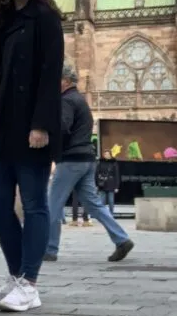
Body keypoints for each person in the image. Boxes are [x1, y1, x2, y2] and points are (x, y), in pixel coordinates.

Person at [0, 0, 64, 312]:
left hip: (30, 126)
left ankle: (30, 282)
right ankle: (16, 276)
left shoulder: (45, 17)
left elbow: (50, 72)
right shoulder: (0, 20)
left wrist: (41, 125)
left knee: (34, 205)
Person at [44, 64, 134, 264]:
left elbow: (62, 127)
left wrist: (47, 137)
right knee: (94, 204)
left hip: (71, 160)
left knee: (53, 205)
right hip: (86, 159)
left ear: (66, 81)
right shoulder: (80, 100)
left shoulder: (66, 101)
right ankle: (122, 239)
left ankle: (49, 249)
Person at [96, 148, 120, 213]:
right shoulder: (100, 162)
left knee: (111, 201)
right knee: (101, 201)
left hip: (111, 184)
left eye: (107, 154)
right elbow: (97, 173)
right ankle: (102, 214)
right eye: (105, 154)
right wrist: (97, 184)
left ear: (110, 155)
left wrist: (117, 186)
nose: (106, 155)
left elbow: (116, 175)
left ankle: (111, 214)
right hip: (102, 184)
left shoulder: (114, 163)